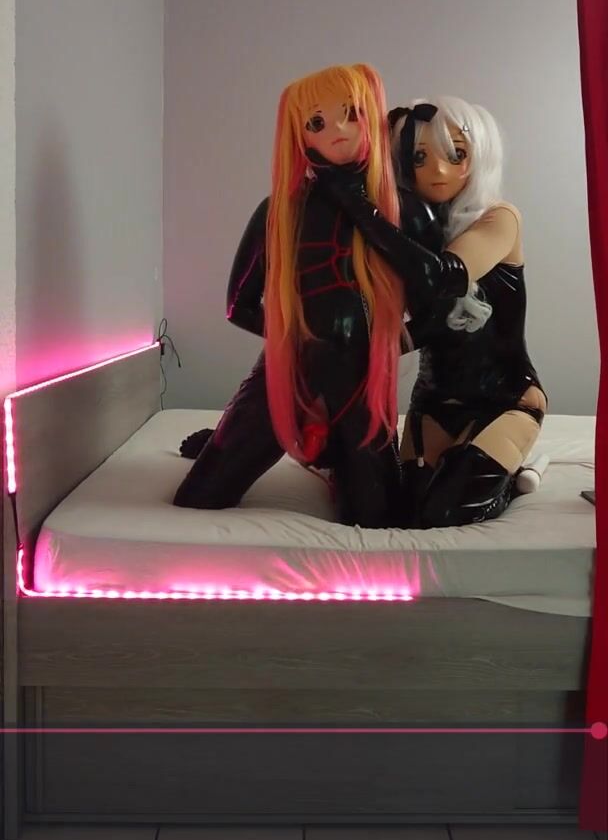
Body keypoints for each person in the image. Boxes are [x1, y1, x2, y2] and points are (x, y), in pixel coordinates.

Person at [173, 64, 411, 528]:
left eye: (352, 114)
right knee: (201, 497)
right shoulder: (279, 212)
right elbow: (238, 305)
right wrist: (295, 334)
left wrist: (383, 341)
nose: (338, 130)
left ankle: (329, 454)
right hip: (285, 374)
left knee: (379, 518)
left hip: (360, 384)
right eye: (317, 122)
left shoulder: (394, 210)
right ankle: (228, 438)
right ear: (299, 137)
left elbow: (436, 302)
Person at [313, 96, 547, 528]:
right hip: (435, 401)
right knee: (402, 510)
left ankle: (513, 478)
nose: (438, 170)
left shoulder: (499, 219)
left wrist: (358, 205)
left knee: (445, 512)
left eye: (456, 154)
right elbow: (420, 325)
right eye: (419, 157)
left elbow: (445, 278)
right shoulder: (407, 232)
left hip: (505, 400)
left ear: (479, 156)